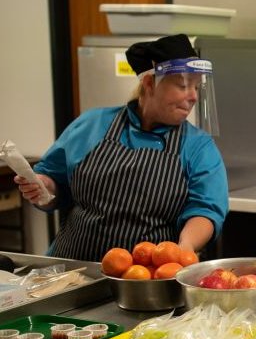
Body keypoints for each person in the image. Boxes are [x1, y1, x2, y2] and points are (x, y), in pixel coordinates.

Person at [16, 34, 228, 262]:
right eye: (183, 85)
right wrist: (43, 187)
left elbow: (205, 210)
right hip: (73, 272)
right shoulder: (92, 124)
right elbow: (53, 180)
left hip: (145, 280)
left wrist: (186, 245)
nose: (194, 96)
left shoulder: (198, 147)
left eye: (197, 87)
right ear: (149, 84)